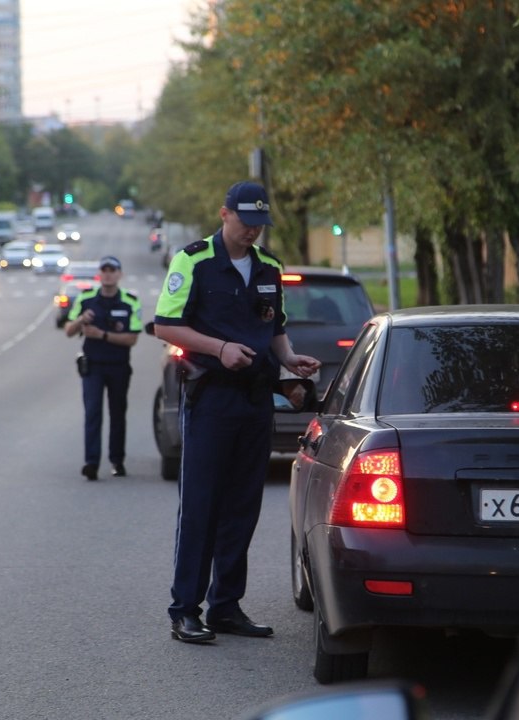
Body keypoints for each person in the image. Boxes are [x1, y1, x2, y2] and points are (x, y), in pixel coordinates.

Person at [153, 181, 321, 644]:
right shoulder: (194, 260)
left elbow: (276, 326)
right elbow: (165, 324)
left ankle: (226, 606)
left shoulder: (269, 267)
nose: (252, 231)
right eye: (245, 221)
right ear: (224, 213)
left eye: (259, 224)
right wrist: (219, 348)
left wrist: (289, 360)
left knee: (242, 507)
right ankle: (186, 609)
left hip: (255, 399)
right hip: (211, 397)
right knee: (201, 507)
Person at [64, 255, 142, 481]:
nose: (108, 274)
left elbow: (132, 339)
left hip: (118, 366)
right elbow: (68, 330)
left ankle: (117, 461)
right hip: (93, 366)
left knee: (118, 414)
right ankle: (91, 463)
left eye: (113, 270)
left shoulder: (130, 301)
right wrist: (81, 320)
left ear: (119, 274)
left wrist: (103, 335)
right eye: (104, 270)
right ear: (99, 274)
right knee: (92, 414)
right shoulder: (86, 299)